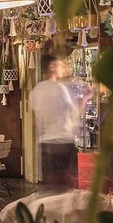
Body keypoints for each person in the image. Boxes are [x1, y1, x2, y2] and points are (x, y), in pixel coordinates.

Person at [29, 55, 82, 190]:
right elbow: (75, 113)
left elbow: (36, 121)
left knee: (52, 187)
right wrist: (86, 98)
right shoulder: (60, 88)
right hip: (63, 143)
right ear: (52, 67)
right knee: (67, 188)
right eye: (61, 65)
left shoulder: (36, 90)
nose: (64, 68)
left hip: (46, 143)